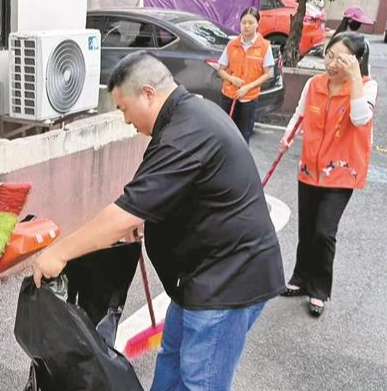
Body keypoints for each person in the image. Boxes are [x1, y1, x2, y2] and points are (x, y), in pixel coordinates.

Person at [32, 51, 286, 391]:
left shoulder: (188, 130)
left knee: (201, 382)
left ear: (148, 93)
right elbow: (163, 194)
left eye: (123, 108)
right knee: (171, 360)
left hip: (226, 282)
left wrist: (59, 253)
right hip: (198, 278)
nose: (124, 120)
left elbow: (125, 212)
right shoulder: (183, 118)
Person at [279, 32, 377, 318]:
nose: (332, 63)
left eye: (341, 58)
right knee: (307, 229)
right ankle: (299, 278)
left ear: (357, 61)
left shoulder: (367, 87)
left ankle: (319, 289)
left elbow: (360, 118)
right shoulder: (314, 84)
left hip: (341, 174)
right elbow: (299, 114)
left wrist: (355, 77)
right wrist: (287, 138)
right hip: (310, 168)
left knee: (324, 232)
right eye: (329, 56)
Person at [217, 7, 275, 144]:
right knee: (224, 134)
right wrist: (231, 79)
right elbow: (220, 70)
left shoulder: (265, 46)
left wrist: (247, 87)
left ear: (258, 24)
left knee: (243, 136)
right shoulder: (232, 45)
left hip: (249, 99)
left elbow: (268, 73)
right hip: (229, 96)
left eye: (251, 22)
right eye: (244, 22)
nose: (247, 26)